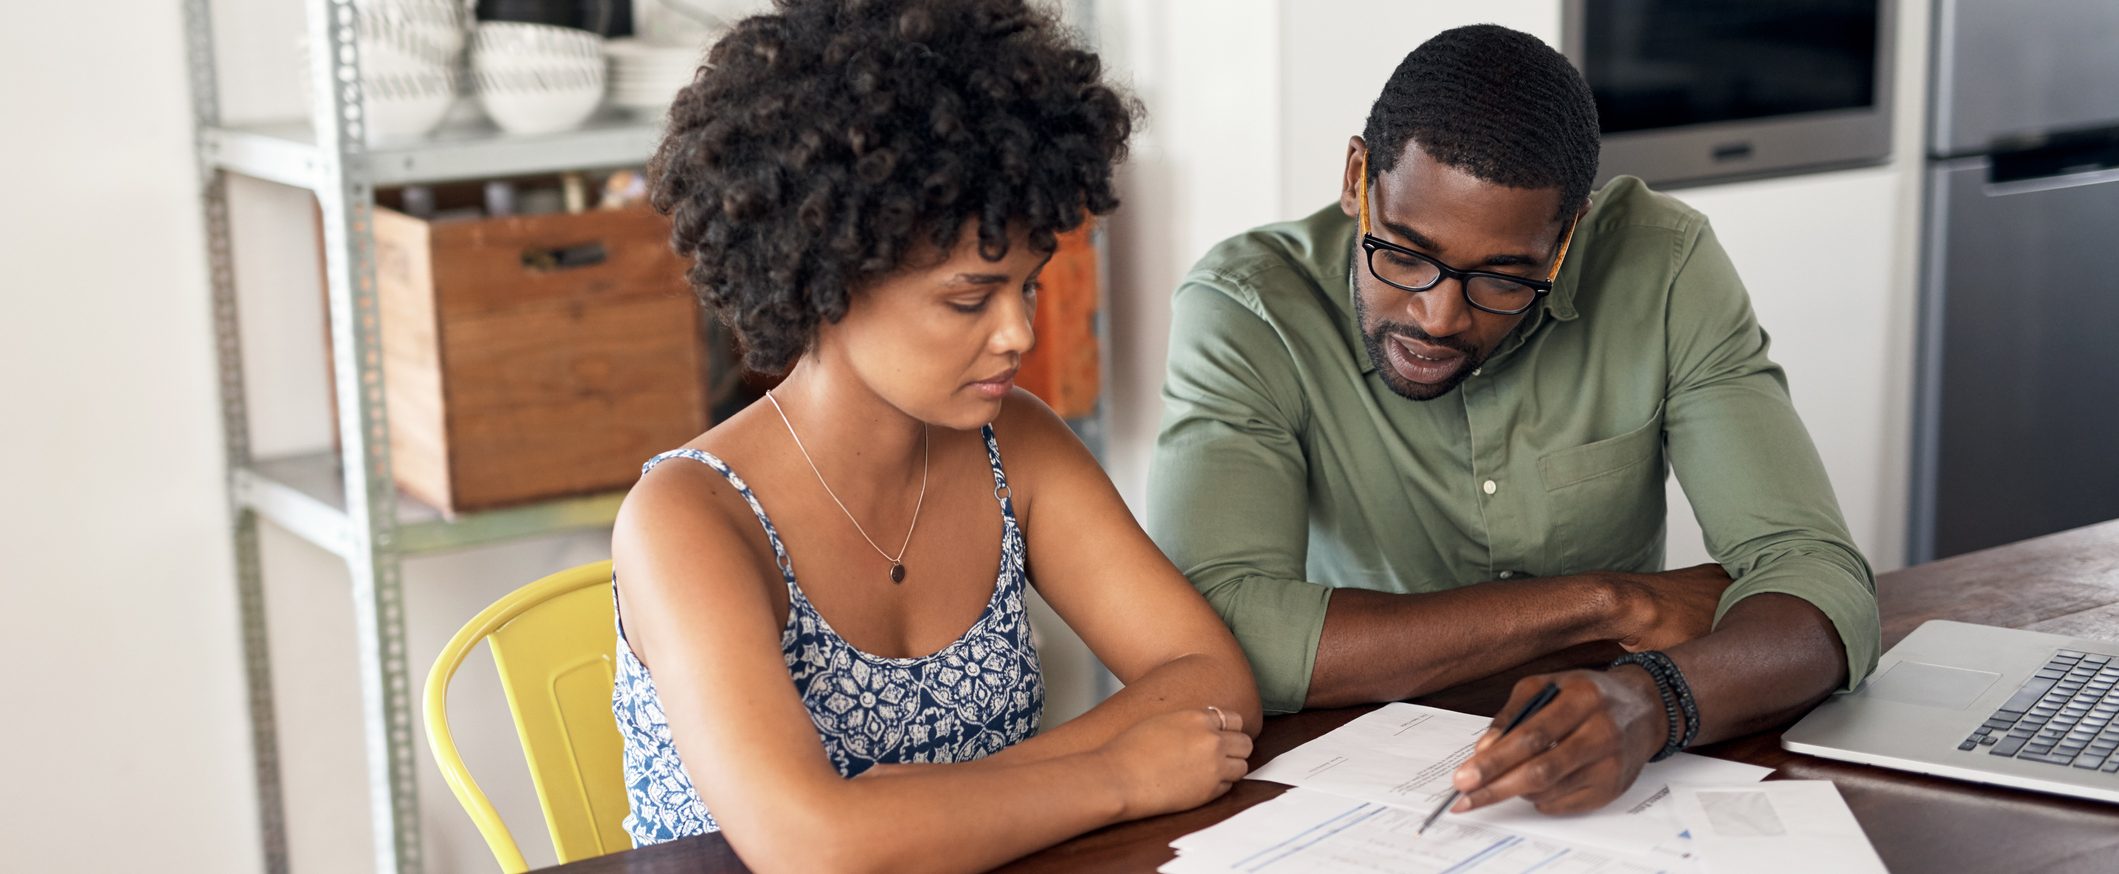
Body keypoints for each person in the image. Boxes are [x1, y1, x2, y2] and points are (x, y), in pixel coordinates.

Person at [1149, 24, 1879, 820]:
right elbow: (1215, 634)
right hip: (1352, 786)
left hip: (1611, 771)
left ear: (1565, 239)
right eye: (1403, 252)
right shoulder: (1247, 308)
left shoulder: (1662, 265)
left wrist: (1650, 704)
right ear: (1358, 177)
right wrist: (1607, 602)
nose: (1437, 317)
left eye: (1502, 278)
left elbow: (1818, 581)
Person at [610, 1, 1260, 871]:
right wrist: (1115, 778)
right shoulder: (688, 519)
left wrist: (908, 815)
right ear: (828, 278)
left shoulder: (1015, 449)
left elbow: (1209, 679)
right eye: (969, 299)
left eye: (1027, 288)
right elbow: (810, 849)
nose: (1018, 335)